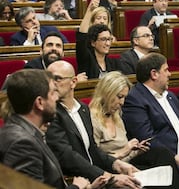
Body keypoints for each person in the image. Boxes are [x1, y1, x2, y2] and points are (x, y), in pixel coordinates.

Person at [0, 69, 103, 189]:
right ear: (39, 102)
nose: (56, 97)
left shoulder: (27, 131)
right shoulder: (22, 143)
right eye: (53, 92)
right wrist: (76, 187)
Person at [45, 61, 141, 189]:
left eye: (57, 79)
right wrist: (108, 177)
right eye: (48, 79)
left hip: (94, 176)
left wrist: (116, 164)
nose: (51, 84)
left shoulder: (83, 108)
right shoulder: (51, 113)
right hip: (75, 182)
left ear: (73, 82)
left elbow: (92, 149)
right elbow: (66, 156)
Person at [90, 71, 179, 188]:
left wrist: (136, 151)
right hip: (111, 172)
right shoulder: (92, 120)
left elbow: (126, 155)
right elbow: (94, 162)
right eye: (119, 97)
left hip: (127, 166)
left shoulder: (116, 116)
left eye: (124, 97)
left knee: (163, 154)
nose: (122, 102)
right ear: (106, 93)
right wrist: (123, 151)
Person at [122, 53, 179, 189]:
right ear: (154, 74)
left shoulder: (170, 96)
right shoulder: (135, 99)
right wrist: (177, 159)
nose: (170, 74)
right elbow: (147, 138)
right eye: (166, 70)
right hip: (166, 161)